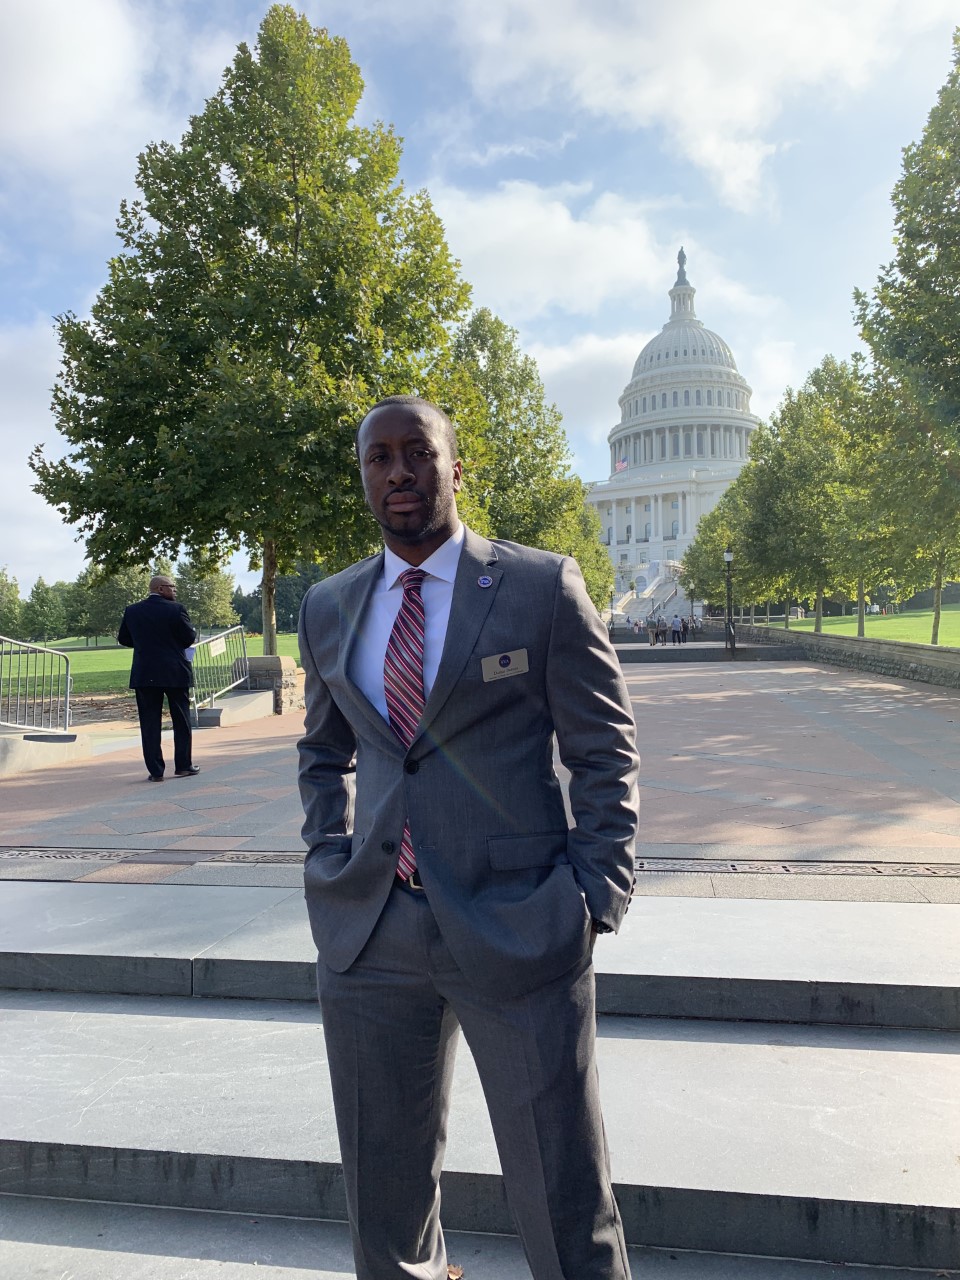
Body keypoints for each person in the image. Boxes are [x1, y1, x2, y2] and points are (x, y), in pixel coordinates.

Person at [297, 395, 639, 1280]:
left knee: (564, 1196)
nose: (399, 472)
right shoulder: (331, 605)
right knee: (386, 1207)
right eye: (379, 457)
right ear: (365, 475)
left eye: (419, 452)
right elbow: (322, 748)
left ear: (457, 467)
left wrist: (593, 896)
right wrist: (325, 859)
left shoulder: (538, 587)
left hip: (520, 927)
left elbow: (604, 753)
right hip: (371, 933)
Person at [118, 574, 199, 782]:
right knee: (181, 720)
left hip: (145, 673)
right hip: (175, 671)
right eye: (172, 587)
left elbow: (124, 639)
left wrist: (147, 643)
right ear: (161, 588)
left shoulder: (132, 611)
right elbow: (189, 638)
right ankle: (183, 766)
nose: (175, 591)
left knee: (149, 722)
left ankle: (156, 771)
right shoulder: (176, 610)